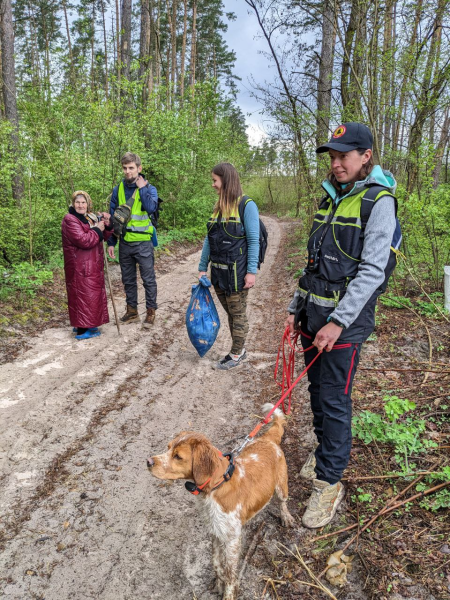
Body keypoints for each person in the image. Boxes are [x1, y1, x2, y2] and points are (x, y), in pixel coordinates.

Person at [285, 123, 398, 529]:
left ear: (366, 155)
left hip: (342, 329)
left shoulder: (377, 202)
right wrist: (297, 303)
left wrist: (336, 322)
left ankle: (330, 482)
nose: (335, 164)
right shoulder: (331, 197)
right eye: (332, 157)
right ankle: (323, 451)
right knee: (317, 392)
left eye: (343, 156)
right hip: (312, 319)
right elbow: (316, 261)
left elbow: (372, 272)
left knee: (334, 400)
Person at [198, 162, 260, 370]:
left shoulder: (246, 205)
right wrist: (202, 266)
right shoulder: (218, 207)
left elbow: (253, 240)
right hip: (219, 273)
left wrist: (251, 272)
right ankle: (238, 349)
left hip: (237, 274)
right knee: (231, 313)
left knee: (238, 313)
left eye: (215, 180)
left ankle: (236, 353)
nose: (213, 185)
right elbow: (209, 239)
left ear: (226, 180)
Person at [107, 152, 158, 328]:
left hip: (144, 243)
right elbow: (115, 219)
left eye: (131, 168)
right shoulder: (118, 189)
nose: (128, 171)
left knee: (148, 279)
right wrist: (112, 242)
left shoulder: (149, 189)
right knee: (127, 280)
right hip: (125, 243)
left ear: (139, 168)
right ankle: (132, 311)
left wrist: (142, 188)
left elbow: (151, 207)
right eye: (125, 168)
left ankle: (150, 313)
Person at [62, 191, 113, 340]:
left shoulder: (89, 218)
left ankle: (88, 324)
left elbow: (102, 237)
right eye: (77, 202)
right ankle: (82, 330)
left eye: (83, 202)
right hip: (80, 267)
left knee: (90, 296)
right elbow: (84, 240)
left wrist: (107, 226)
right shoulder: (70, 219)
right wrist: (97, 229)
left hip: (91, 265)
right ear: (73, 204)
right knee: (82, 296)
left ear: (88, 203)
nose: (80, 205)